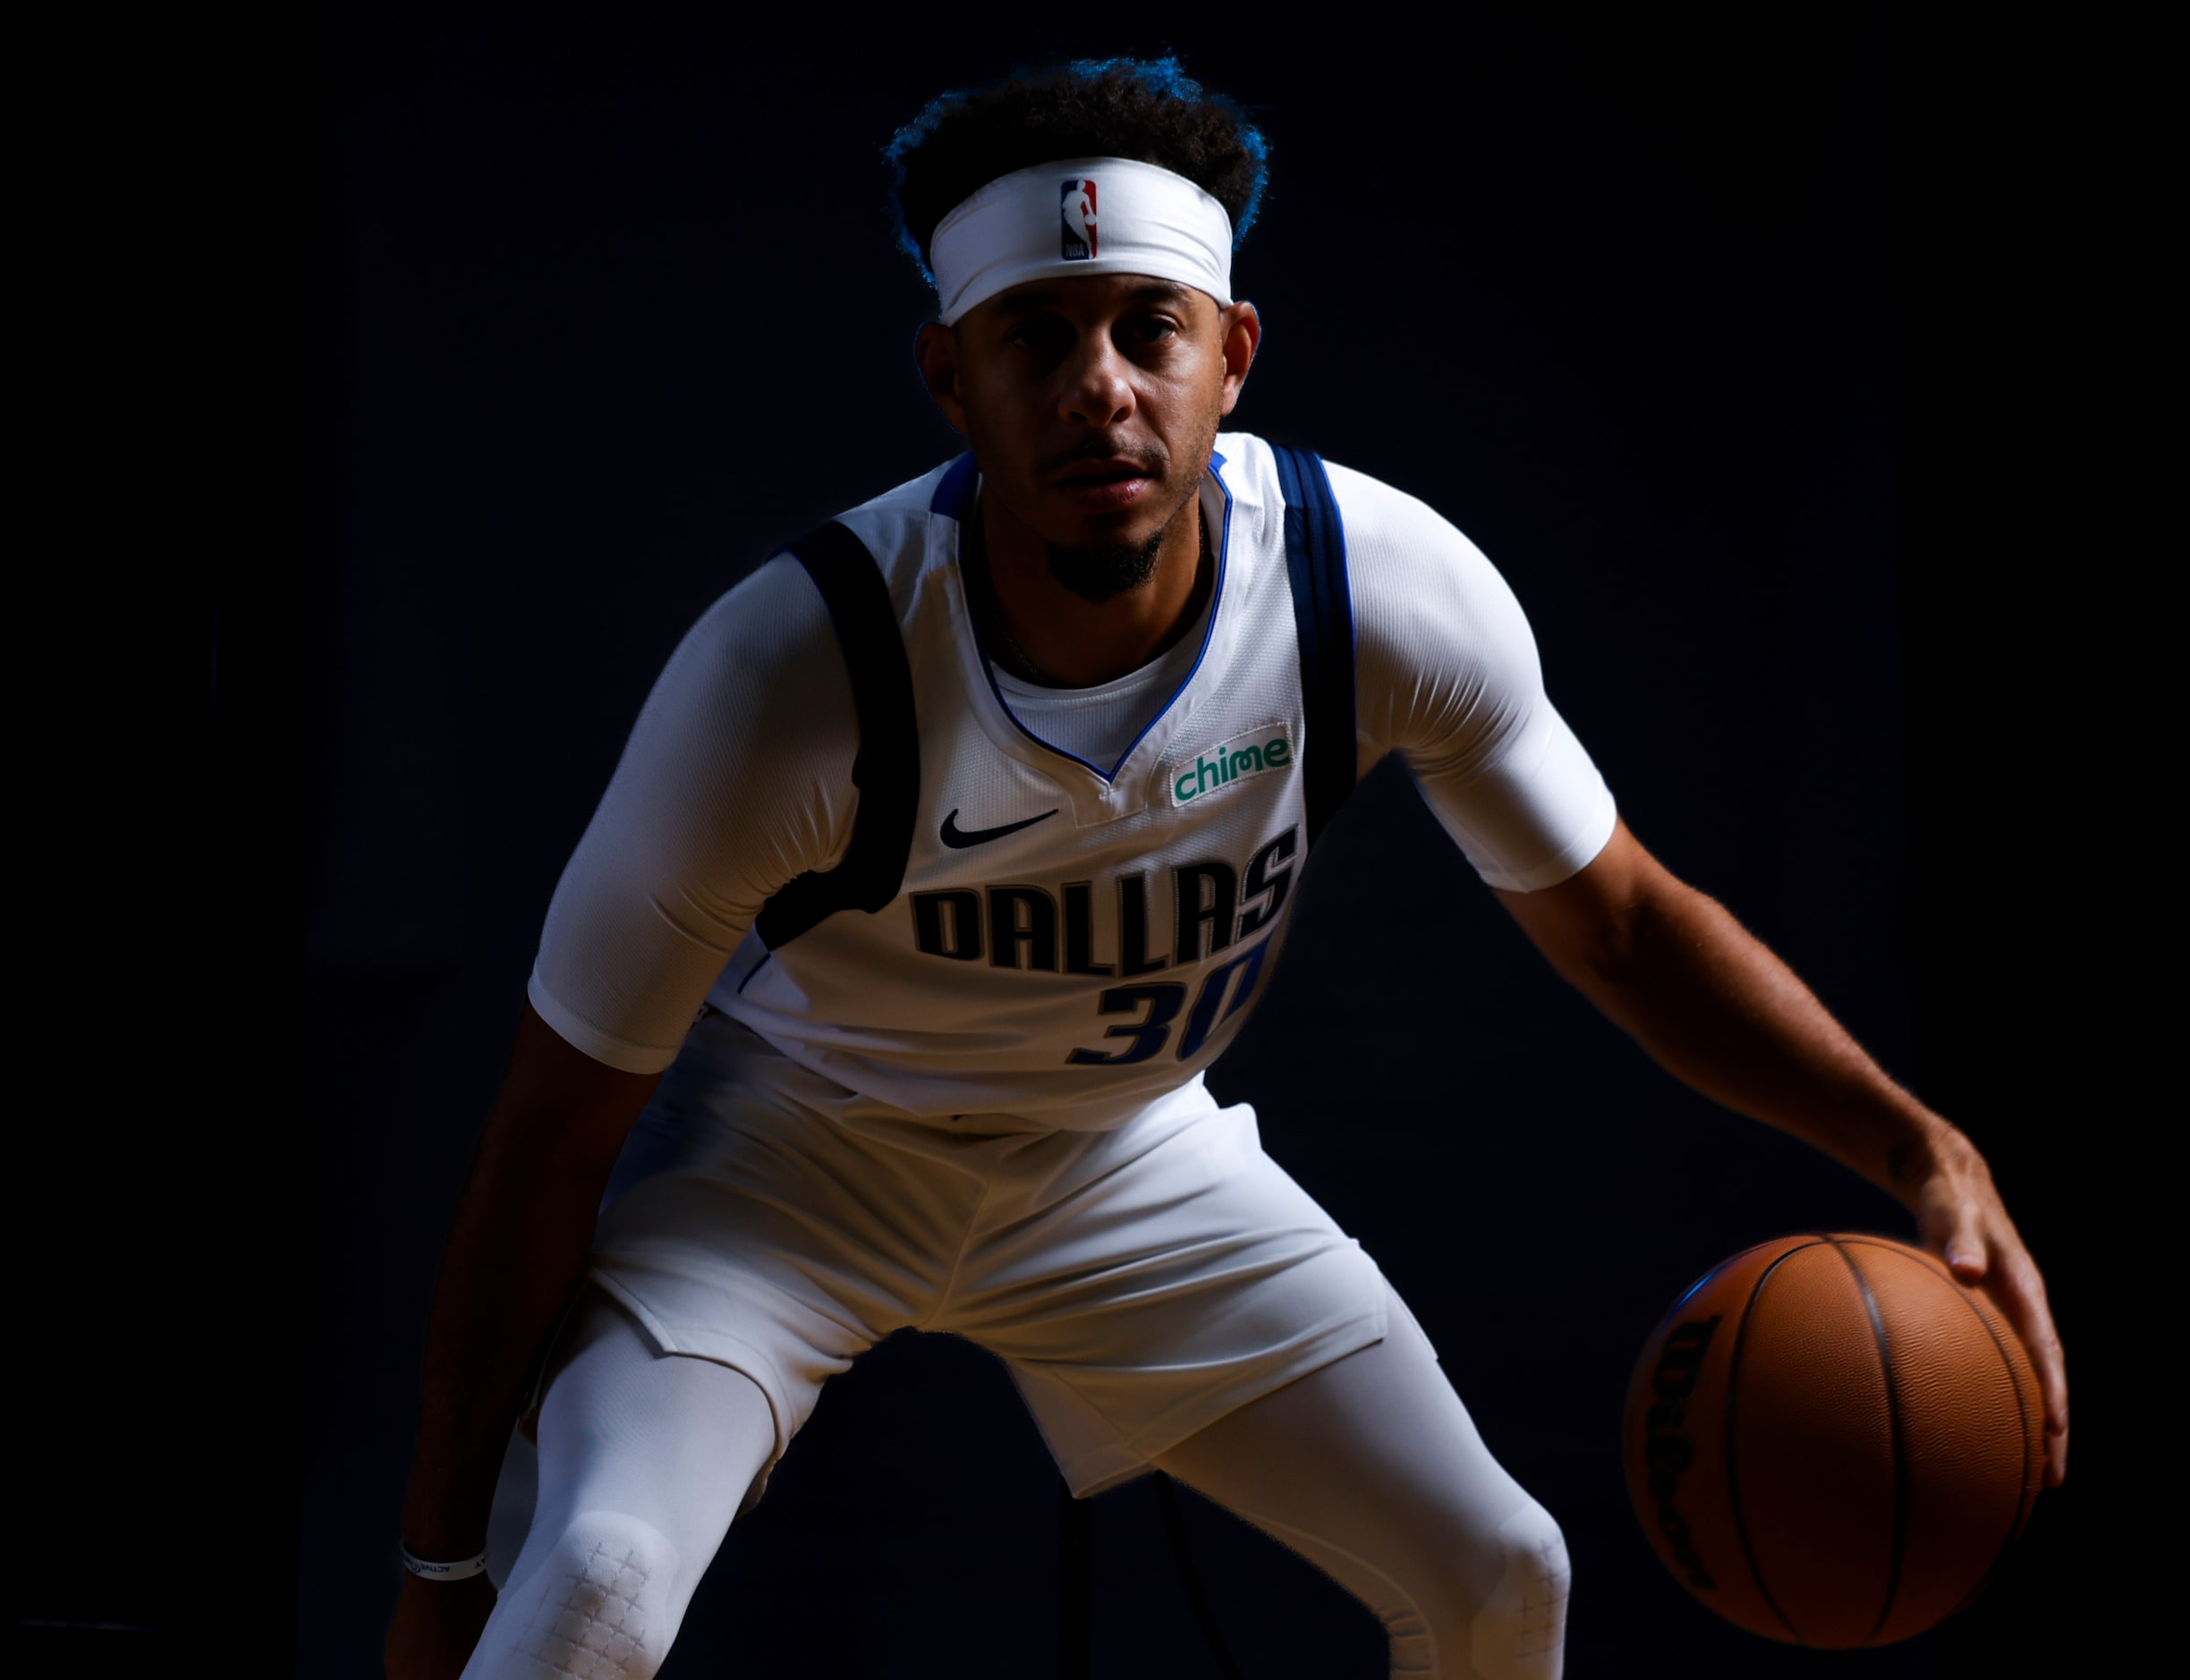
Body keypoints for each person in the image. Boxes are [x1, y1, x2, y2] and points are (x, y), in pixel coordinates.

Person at [384, 57, 2067, 1680]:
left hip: (1120, 1162)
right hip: (790, 1165)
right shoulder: (787, 679)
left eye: (1148, 328)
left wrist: (1920, 1150)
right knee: (595, 1579)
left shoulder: (1372, 590)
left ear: (1233, 354)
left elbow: (1622, 923)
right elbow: (552, 1133)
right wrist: (436, 1569)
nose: (1098, 383)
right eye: (1034, 336)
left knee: (1501, 1570)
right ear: (948, 375)